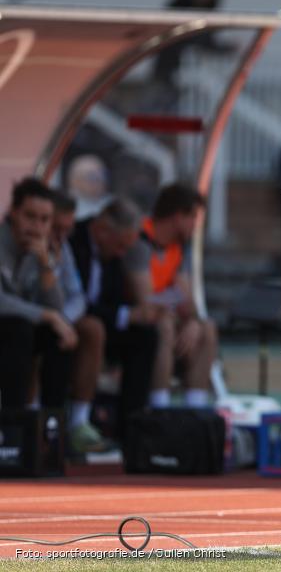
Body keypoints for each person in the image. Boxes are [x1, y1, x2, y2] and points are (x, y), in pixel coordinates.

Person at [68, 199, 161, 440]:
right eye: (120, 246)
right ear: (102, 230)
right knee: (93, 329)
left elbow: (114, 299)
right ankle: (78, 420)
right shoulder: (72, 240)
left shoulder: (113, 257)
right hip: (72, 322)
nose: (122, 254)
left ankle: (132, 426)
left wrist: (134, 315)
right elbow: (75, 299)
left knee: (145, 335)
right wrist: (125, 314)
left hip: (104, 323)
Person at [128, 183, 216, 408]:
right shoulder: (139, 242)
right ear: (178, 216)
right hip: (134, 320)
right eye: (193, 217)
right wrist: (176, 308)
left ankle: (195, 408)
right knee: (164, 324)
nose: (196, 225)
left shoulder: (178, 248)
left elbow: (186, 298)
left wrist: (193, 321)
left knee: (205, 329)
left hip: (164, 314)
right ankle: (160, 408)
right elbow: (146, 300)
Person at [0, 178, 76, 410]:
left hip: (19, 331)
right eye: (30, 216)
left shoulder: (42, 250)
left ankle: (52, 426)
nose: (36, 227)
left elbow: (59, 310)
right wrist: (48, 316)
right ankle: (15, 425)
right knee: (20, 328)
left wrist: (45, 265)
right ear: (13, 212)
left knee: (59, 336)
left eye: (44, 220)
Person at [47, 191, 109, 453]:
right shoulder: (23, 245)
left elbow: (77, 296)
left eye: (67, 229)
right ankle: (29, 418)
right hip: (30, 319)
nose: (62, 235)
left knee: (92, 328)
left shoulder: (65, 248)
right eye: (57, 228)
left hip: (58, 320)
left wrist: (64, 320)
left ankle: (78, 422)